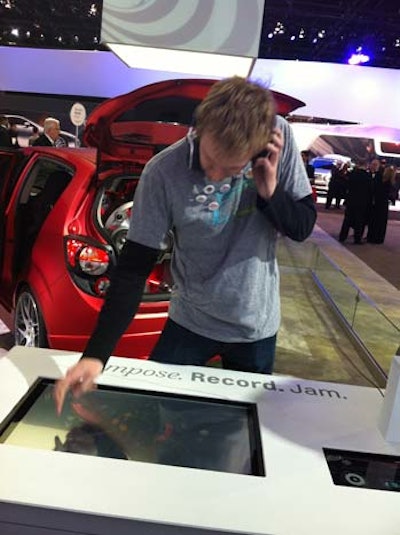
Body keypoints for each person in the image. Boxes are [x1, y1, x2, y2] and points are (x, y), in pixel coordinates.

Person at [54, 76, 317, 414]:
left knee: (242, 431)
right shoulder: (163, 172)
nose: (217, 177)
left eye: (233, 169)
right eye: (210, 162)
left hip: (255, 324)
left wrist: (270, 191)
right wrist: (95, 355)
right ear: (197, 128)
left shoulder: (278, 138)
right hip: (190, 319)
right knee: (160, 413)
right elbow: (134, 269)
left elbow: (301, 226)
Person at [338, 159, 372, 244]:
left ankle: (342, 236)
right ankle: (357, 239)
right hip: (362, 201)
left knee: (347, 219)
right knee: (359, 221)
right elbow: (370, 189)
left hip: (351, 199)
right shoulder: (367, 176)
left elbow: (346, 184)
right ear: (365, 165)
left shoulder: (352, 174)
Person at [367, 163, 395, 244]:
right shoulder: (390, 182)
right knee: (381, 222)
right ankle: (379, 238)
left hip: (376, 202)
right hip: (384, 204)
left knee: (374, 220)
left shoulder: (380, 180)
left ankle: (371, 236)